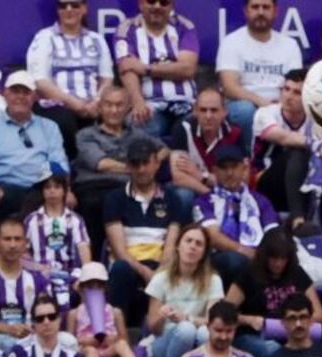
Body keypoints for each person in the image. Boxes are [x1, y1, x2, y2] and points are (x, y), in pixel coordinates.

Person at [104, 137, 189, 328]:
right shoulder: (114, 199)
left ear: (157, 163)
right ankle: (116, 331)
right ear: (128, 165)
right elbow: (119, 250)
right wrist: (145, 272)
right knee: (120, 268)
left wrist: (158, 274)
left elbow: (170, 246)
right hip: (130, 265)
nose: (141, 169)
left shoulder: (173, 198)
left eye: (146, 163)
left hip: (161, 265)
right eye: (135, 163)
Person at [73, 85, 165, 256]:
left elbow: (164, 149)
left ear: (128, 108)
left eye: (119, 105)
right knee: (99, 202)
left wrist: (151, 162)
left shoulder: (137, 134)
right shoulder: (86, 135)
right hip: (95, 187)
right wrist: (140, 169)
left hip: (128, 187)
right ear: (100, 107)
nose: (114, 110)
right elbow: (101, 164)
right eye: (108, 105)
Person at [251, 69, 322, 233]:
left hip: (303, 181)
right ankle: (298, 220)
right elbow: (284, 138)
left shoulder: (317, 117)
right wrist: (320, 145)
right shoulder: (265, 113)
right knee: (297, 152)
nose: (288, 96)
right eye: (286, 89)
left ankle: (321, 225)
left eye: (297, 92)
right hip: (268, 181)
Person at [26, 0, 114, 161]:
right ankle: (71, 170)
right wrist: (74, 103)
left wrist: (97, 101)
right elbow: (40, 81)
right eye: (63, 6)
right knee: (65, 121)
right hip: (56, 104)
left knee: (114, 117)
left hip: (93, 104)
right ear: (58, 10)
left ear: (84, 9)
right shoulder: (45, 37)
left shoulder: (96, 39)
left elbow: (107, 77)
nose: (69, 9)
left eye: (75, 5)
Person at [0, 71, 69, 239]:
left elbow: (58, 161)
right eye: (15, 91)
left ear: (35, 97)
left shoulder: (49, 127)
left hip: (41, 188)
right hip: (5, 187)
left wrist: (66, 189)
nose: (20, 97)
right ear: (5, 94)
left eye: (26, 92)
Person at [226, 228, 322, 357]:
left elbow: (319, 314)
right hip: (252, 335)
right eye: (274, 258)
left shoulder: (296, 273)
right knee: (272, 349)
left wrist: (297, 321)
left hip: (291, 333)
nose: (278, 264)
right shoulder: (249, 274)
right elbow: (223, 313)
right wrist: (248, 320)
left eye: (283, 259)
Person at [216, 0, 302, 150]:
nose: (261, 12)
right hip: (244, 106)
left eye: (266, 7)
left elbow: (297, 84)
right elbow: (229, 87)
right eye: (255, 7)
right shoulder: (231, 42)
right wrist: (264, 104)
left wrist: (280, 106)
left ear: (275, 11)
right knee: (246, 110)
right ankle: (251, 162)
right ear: (246, 11)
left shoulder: (290, 45)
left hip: (280, 105)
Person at [144, 223, 225, 357]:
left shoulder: (214, 280)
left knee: (203, 333)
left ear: (203, 252)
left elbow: (213, 322)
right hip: (164, 341)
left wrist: (186, 318)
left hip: (198, 337)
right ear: (178, 246)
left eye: (198, 244)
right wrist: (163, 316)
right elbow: (152, 327)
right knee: (185, 330)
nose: (192, 246)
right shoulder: (161, 278)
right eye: (188, 241)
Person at [112, 0, 200, 140]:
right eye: (151, 1)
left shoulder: (184, 26)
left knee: (190, 127)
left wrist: (146, 69)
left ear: (171, 6)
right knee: (139, 123)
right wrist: (137, 101)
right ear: (141, 3)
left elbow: (187, 69)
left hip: (186, 103)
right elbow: (127, 68)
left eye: (164, 2)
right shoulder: (126, 29)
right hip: (149, 105)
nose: (157, 6)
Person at [193, 144, 279, 286]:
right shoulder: (204, 201)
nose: (230, 173)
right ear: (214, 171)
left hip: (259, 254)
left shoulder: (260, 200)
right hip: (220, 257)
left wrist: (262, 254)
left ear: (244, 169)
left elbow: (273, 232)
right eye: (224, 168)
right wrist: (242, 250)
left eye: (234, 167)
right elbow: (212, 237)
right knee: (235, 260)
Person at [70, 262, 143, 357]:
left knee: (122, 345)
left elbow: (124, 339)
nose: (95, 290)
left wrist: (112, 339)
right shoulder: (75, 313)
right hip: (87, 351)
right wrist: (86, 341)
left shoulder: (114, 312)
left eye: (99, 287)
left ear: (105, 288)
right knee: (90, 351)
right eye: (90, 287)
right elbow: (69, 342)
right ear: (82, 289)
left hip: (109, 349)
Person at [24, 173, 92, 312]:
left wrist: (85, 275)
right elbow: (23, 252)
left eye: (57, 187)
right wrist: (36, 269)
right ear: (42, 192)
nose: (52, 191)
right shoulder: (31, 220)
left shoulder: (75, 219)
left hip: (70, 272)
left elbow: (84, 248)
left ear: (64, 191)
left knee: (89, 287)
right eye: (48, 187)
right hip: (40, 272)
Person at [166, 87, 243, 206]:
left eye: (214, 110)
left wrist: (201, 175)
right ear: (195, 111)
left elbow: (238, 180)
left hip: (224, 191)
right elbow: (179, 177)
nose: (208, 116)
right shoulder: (183, 129)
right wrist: (211, 195)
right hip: (195, 189)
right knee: (183, 194)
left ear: (224, 112)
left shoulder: (235, 132)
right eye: (203, 110)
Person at [0, 216, 53, 349]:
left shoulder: (39, 276)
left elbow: (50, 316)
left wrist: (31, 328)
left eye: (17, 239)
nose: (12, 245)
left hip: (31, 339)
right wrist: (7, 329)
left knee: (68, 340)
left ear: (26, 243)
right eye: (7, 239)